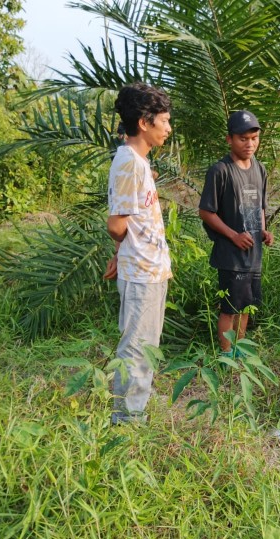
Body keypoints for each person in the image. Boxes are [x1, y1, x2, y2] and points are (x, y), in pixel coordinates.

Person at [104, 82, 173, 424]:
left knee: (145, 346)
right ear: (144, 123)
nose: (168, 128)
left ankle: (134, 409)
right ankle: (127, 421)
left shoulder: (138, 162)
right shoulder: (130, 162)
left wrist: (121, 251)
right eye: (165, 121)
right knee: (136, 348)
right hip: (142, 272)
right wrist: (124, 249)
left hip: (149, 269)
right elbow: (116, 224)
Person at [198, 110, 274, 357]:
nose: (250, 144)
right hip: (231, 255)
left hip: (253, 254)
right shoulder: (220, 170)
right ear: (229, 139)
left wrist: (263, 230)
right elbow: (206, 212)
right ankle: (225, 354)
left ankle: (238, 350)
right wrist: (234, 236)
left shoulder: (260, 169)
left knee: (246, 306)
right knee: (229, 308)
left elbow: (260, 207)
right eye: (243, 139)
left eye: (254, 138)